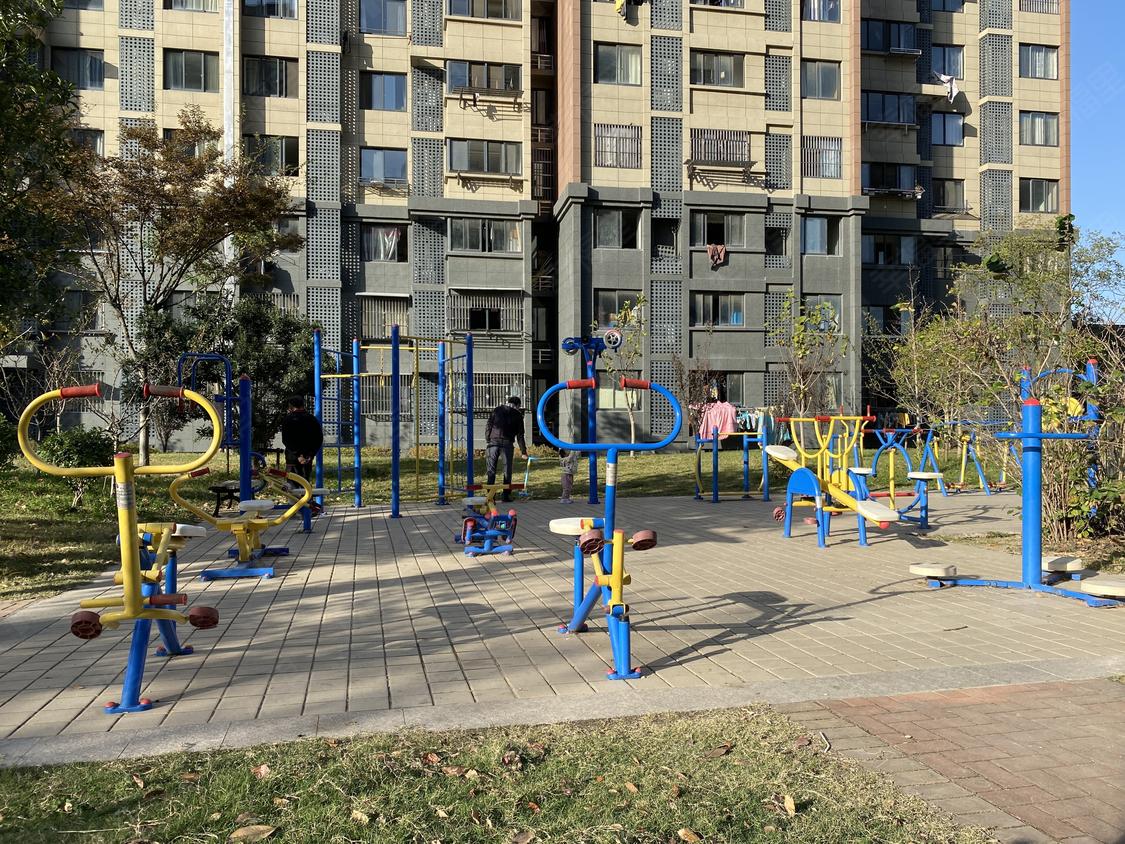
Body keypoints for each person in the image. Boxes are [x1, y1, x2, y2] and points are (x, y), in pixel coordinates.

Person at [281, 395, 323, 514]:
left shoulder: (288, 419)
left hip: (293, 458)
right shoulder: (312, 419)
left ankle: (293, 509)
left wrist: (298, 454)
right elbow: (318, 438)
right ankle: (308, 507)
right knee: (305, 481)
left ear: (291, 407)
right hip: (308, 457)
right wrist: (310, 454)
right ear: (303, 405)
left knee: (292, 482)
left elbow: (287, 440)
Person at [485, 395, 528, 501]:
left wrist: (488, 438)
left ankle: (490, 496)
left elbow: (489, 425)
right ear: (518, 405)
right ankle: (506, 495)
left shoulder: (497, 410)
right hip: (507, 444)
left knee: (491, 470)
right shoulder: (518, 415)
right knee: (507, 470)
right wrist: (523, 452)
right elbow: (520, 435)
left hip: (493, 442)